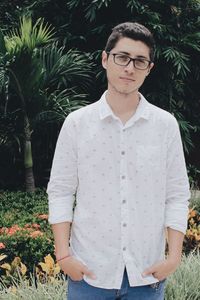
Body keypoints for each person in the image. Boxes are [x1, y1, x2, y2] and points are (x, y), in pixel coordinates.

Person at [47, 22, 190, 300]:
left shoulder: (165, 125)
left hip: (147, 274)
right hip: (89, 273)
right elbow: (61, 190)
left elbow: (176, 194)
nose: (129, 68)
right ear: (105, 59)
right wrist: (63, 255)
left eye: (139, 61)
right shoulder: (77, 124)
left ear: (149, 68)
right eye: (122, 57)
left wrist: (173, 257)